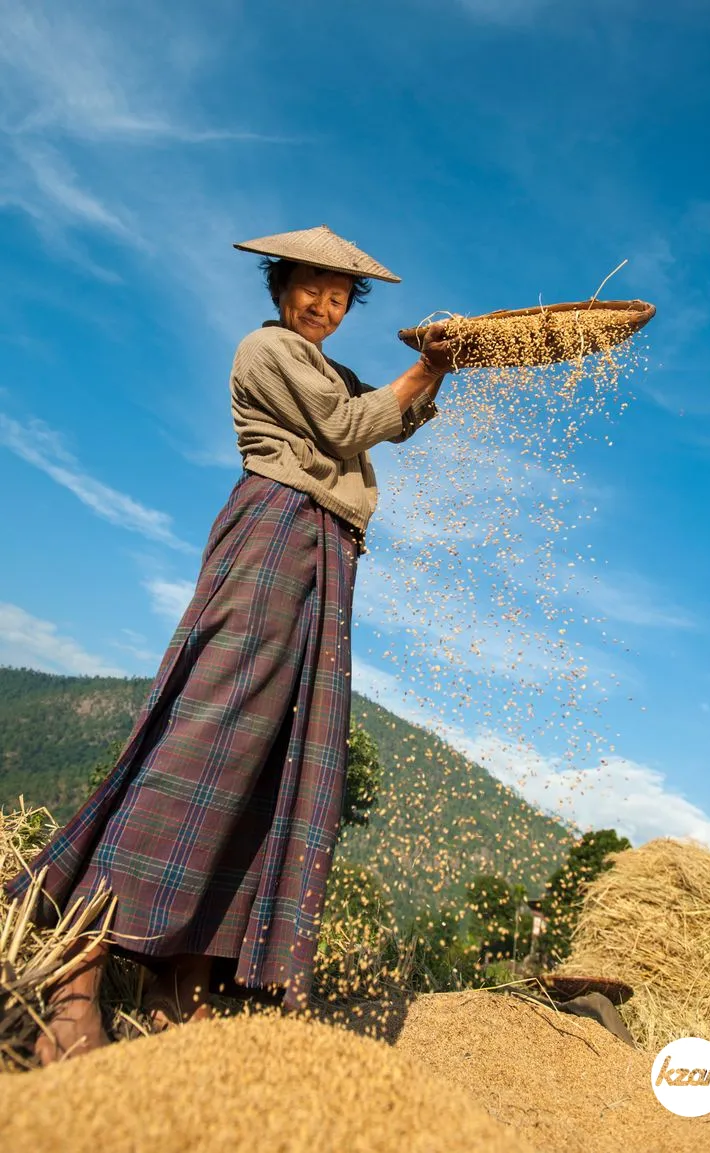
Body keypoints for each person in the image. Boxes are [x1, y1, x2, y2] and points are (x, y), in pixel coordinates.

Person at [6, 224, 456, 1064]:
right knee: (211, 736)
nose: (323, 303)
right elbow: (356, 425)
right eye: (309, 286)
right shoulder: (268, 349)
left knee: (269, 752)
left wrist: (441, 366)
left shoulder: (325, 366)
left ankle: (185, 980)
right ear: (279, 285)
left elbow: (393, 423)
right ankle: (74, 973)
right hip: (278, 530)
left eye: (338, 293)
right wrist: (425, 369)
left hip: (325, 548)